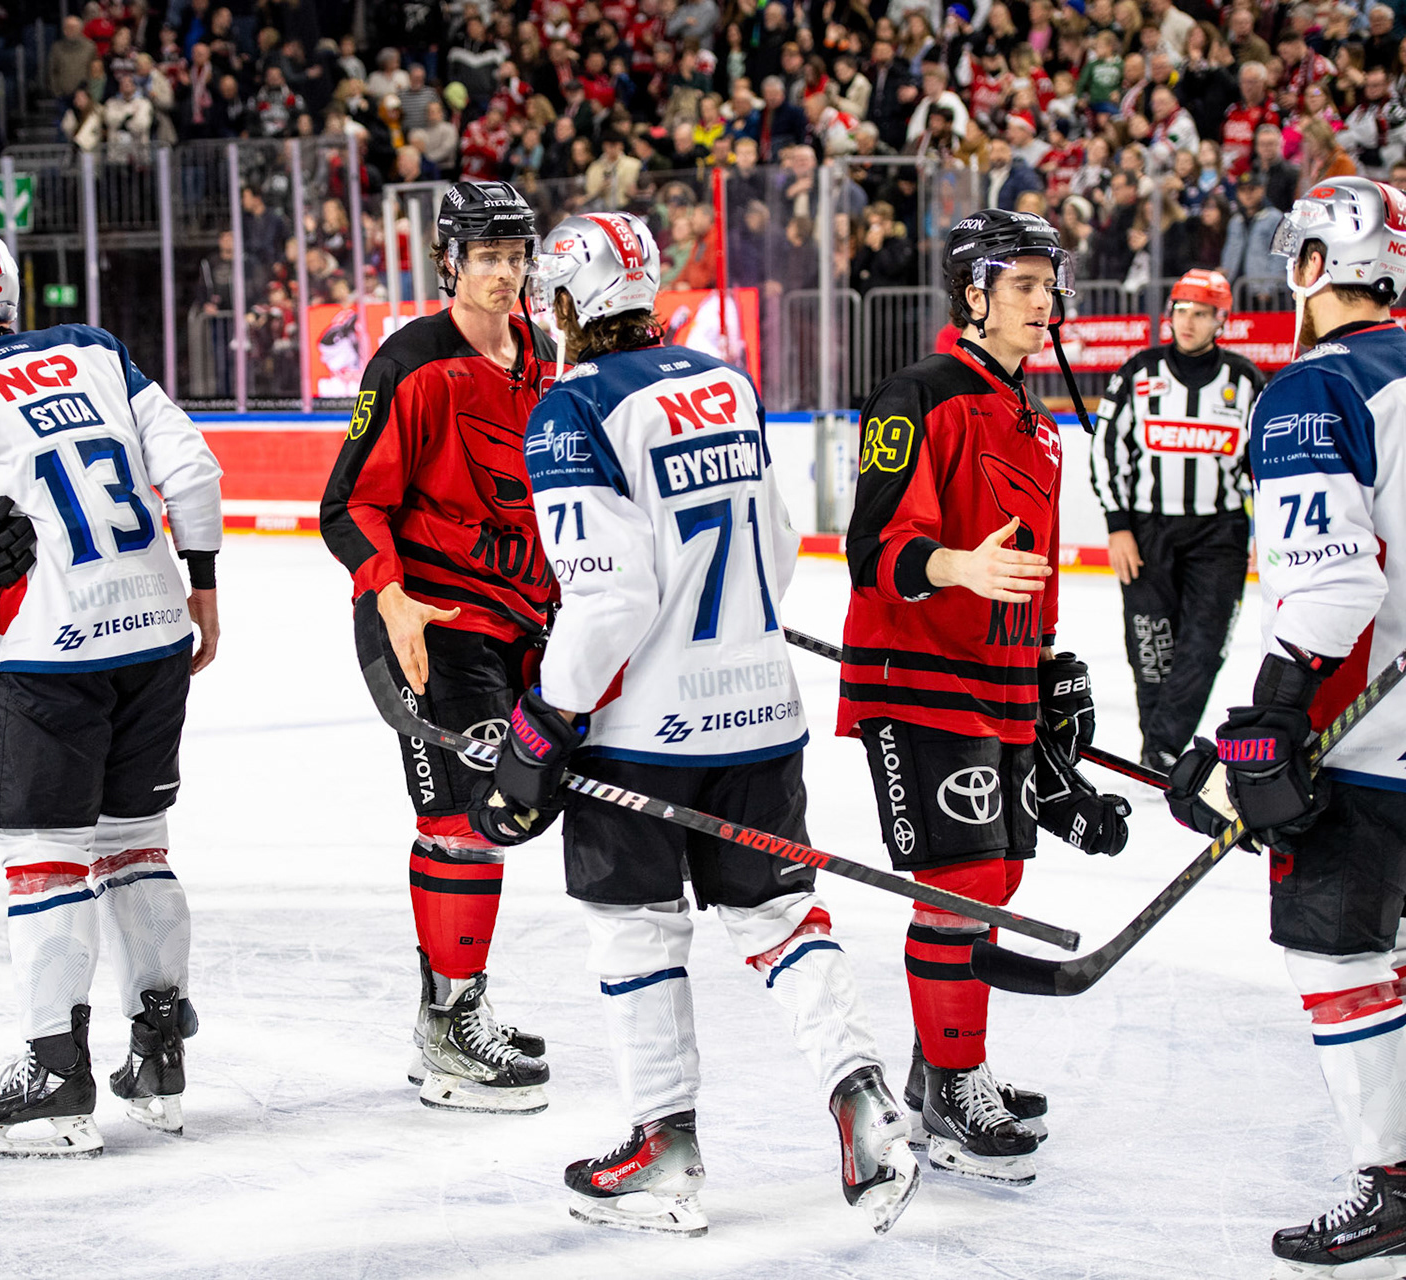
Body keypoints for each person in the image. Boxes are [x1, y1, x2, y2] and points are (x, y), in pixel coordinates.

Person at [473, 210, 921, 1237]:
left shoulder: (571, 410)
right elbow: (776, 539)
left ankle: (662, 1146)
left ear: (569, 302)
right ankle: (865, 1103)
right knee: (779, 918)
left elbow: (609, 598)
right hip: (761, 708)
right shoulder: (724, 382)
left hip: (643, 731)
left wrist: (545, 720)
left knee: (638, 927)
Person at [0, 232, 222, 1158]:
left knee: (44, 861)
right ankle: (158, 1057)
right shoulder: (94, 349)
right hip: (154, 636)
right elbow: (193, 470)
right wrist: (201, 589)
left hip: (50, 655)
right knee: (135, 846)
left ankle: (54, 1074)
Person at [842, 208, 1132, 1186]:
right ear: (973, 295)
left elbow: (1034, 572)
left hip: (1002, 677)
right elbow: (870, 551)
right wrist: (953, 563)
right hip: (917, 674)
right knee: (960, 883)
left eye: (1050, 285)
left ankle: (942, 1062)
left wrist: (1051, 666)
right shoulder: (916, 396)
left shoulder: (1039, 425)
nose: (1044, 302)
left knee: (998, 876)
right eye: (1024, 286)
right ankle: (955, 1085)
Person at [1167, 176, 1406, 1280]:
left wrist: (1260, 723)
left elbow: (1331, 590)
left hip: (1369, 745)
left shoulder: (1315, 387)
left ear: (1314, 268)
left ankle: (1396, 1179)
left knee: (1341, 956)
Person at [319, 180, 558, 1115]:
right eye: (486, 256)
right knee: (465, 816)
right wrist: (392, 596)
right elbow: (347, 504)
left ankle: (447, 1007)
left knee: (506, 810)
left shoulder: (541, 354)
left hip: (521, 624)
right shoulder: (410, 363)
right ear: (450, 260)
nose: (504, 274)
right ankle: (453, 1023)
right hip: (431, 627)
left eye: (516, 255)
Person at [1088, 269, 1263, 772]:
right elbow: (1105, 449)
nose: (1188, 322)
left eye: (1201, 312)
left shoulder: (1245, 380)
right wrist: (1117, 525)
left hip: (1220, 533)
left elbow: (1264, 461)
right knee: (1151, 642)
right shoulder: (1138, 372)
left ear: (1221, 320)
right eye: (1181, 310)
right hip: (1146, 531)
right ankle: (1161, 746)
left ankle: (1162, 745)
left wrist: (1266, 529)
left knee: (1206, 642)